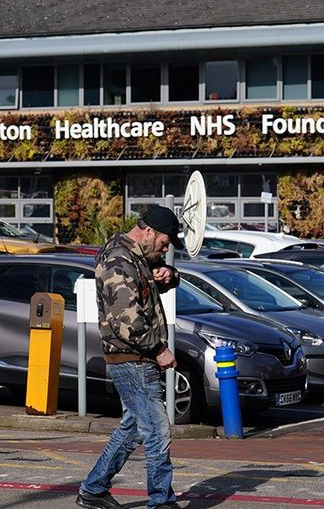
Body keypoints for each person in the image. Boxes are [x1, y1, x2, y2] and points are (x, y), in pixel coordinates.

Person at [76, 205, 184, 509]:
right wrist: (160, 350)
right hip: (131, 357)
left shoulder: (139, 256)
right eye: (164, 242)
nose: (165, 248)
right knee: (157, 430)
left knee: (135, 426)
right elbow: (128, 323)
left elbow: (163, 278)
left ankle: (93, 488)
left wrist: (169, 275)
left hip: (136, 357)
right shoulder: (119, 260)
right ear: (148, 231)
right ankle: (161, 500)